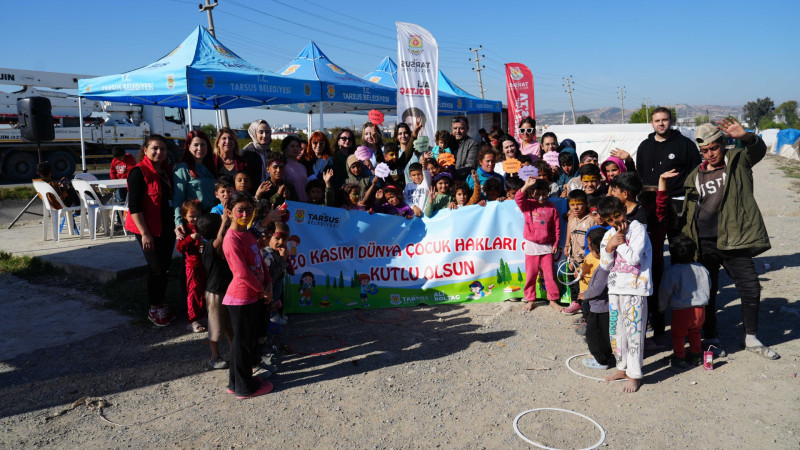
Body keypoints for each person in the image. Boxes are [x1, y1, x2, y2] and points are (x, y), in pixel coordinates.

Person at [681, 119, 778, 360]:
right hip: (706, 243)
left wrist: (746, 137)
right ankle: (711, 337)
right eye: (705, 150)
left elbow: (758, 150)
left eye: (713, 148)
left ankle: (752, 338)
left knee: (750, 287)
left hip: (734, 238)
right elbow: (691, 211)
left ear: (722, 144)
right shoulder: (695, 175)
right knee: (708, 291)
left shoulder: (737, 160)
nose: (710, 154)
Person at [222, 191, 273, 399]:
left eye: (249, 210)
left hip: (254, 295)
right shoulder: (231, 239)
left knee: (242, 343)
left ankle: (236, 382)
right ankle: (245, 387)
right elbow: (241, 272)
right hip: (241, 298)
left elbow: (259, 262)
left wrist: (268, 283)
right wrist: (262, 290)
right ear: (229, 212)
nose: (245, 214)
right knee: (243, 345)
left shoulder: (248, 234)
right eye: (240, 210)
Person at [598, 196, 652, 393]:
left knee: (634, 331)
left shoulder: (637, 229)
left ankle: (635, 374)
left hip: (635, 288)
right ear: (605, 221)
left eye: (618, 216)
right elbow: (604, 264)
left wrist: (618, 243)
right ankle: (622, 367)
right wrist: (609, 247)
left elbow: (634, 258)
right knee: (616, 330)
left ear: (624, 210)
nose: (617, 222)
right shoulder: (608, 235)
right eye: (611, 220)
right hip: (615, 288)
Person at [124, 135, 176, 327]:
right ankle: (154, 307)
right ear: (145, 149)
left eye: (162, 149)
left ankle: (161, 302)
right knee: (156, 268)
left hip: (166, 227)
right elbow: (134, 206)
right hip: (148, 228)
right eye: (154, 148)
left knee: (165, 267)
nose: (159, 152)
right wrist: (145, 233)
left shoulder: (167, 171)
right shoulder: (138, 172)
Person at [616, 107, 701, 211]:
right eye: (657, 121)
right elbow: (639, 176)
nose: (661, 123)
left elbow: (696, 174)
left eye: (664, 120)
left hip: (677, 202)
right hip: (649, 203)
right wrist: (629, 160)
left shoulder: (686, 144)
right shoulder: (644, 146)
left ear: (671, 121)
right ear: (652, 123)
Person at [659, 234, 710, 370]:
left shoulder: (672, 271)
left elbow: (665, 291)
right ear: (694, 253)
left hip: (681, 311)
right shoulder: (701, 268)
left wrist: (662, 307)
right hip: (700, 309)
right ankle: (697, 356)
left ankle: (680, 357)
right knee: (695, 332)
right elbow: (708, 285)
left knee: (678, 335)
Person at [516, 178, 561, 312]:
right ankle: (530, 299)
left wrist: (556, 243)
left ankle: (553, 299)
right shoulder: (528, 205)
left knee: (549, 274)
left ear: (548, 193)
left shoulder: (551, 207)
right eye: (537, 193)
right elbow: (518, 198)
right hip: (531, 246)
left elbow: (556, 228)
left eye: (544, 193)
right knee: (531, 274)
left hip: (547, 246)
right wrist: (526, 185)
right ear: (532, 194)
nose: (541, 196)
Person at [197, 213, 233, 370]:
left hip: (226, 290)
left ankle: (234, 351)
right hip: (214, 293)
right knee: (216, 326)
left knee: (229, 325)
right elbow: (218, 241)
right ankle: (214, 356)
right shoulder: (208, 246)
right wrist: (225, 220)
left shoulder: (219, 244)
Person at [578, 227, 615, 370]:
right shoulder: (607, 264)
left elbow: (597, 289)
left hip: (600, 308)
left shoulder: (604, 268)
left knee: (595, 335)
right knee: (604, 334)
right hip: (604, 307)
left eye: (590, 247)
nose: (589, 249)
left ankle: (601, 361)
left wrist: (584, 295)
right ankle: (605, 355)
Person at [173, 130, 217, 234]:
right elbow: (178, 199)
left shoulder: (210, 168)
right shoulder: (182, 169)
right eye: (196, 145)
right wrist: (178, 222)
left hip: (212, 220)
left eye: (203, 144)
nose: (200, 148)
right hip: (194, 222)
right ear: (188, 147)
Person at [176, 199, 207, 333]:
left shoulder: (203, 226)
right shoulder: (185, 229)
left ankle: (203, 315)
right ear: (184, 216)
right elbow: (180, 247)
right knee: (193, 292)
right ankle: (192, 319)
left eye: (197, 216)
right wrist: (191, 238)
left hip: (205, 263)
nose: (195, 219)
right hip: (192, 265)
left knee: (205, 291)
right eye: (191, 216)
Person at [562, 189, 593, 315]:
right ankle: (575, 302)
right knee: (571, 278)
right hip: (573, 256)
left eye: (579, 204)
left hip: (586, 258)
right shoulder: (572, 219)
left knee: (584, 281)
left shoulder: (591, 219)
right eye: (572, 204)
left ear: (585, 204)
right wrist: (566, 245)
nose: (576, 207)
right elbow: (569, 231)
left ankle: (586, 304)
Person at [240, 120, 272, 191]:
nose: (265, 135)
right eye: (261, 132)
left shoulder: (270, 153)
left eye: (267, 132)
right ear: (254, 134)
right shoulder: (246, 153)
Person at [281, 135, 309, 203]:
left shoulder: (303, 167)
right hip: (292, 205)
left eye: (297, 146)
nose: (295, 149)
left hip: (306, 204)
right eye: (292, 146)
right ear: (285, 149)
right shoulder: (282, 166)